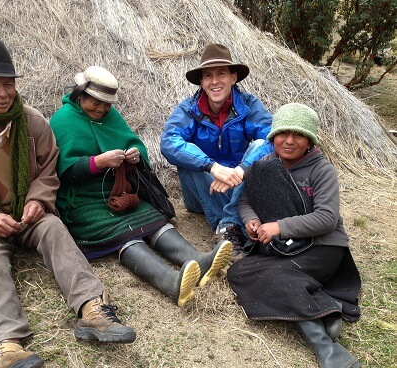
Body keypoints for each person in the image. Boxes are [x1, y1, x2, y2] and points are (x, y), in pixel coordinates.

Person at [0, 39, 136, 368]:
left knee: (55, 229)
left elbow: (47, 170)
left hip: (27, 213)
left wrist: (38, 200)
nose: (3, 93)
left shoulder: (32, 121)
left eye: (8, 84)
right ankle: (3, 344)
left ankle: (94, 309)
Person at [49, 66, 233, 308]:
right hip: (83, 201)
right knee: (127, 236)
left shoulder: (110, 116)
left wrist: (136, 155)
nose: (102, 109)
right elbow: (63, 171)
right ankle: (171, 282)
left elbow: (133, 143)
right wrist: (98, 162)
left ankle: (199, 260)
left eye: (106, 104)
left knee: (154, 221)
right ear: (80, 95)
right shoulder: (63, 120)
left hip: (120, 192)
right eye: (96, 102)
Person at [227, 103, 362, 368]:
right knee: (238, 272)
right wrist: (252, 221)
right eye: (283, 133)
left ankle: (328, 351)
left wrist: (278, 226)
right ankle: (325, 306)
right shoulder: (264, 166)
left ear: (309, 140)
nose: (289, 141)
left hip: (322, 248)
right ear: (273, 136)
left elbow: (326, 219)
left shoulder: (321, 170)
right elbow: (245, 201)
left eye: (298, 135)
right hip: (285, 249)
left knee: (275, 276)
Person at [161, 43, 273, 261]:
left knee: (260, 147)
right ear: (201, 82)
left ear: (234, 78)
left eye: (221, 73)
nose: (214, 82)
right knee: (188, 153)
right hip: (201, 193)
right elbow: (168, 142)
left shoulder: (248, 105)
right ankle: (233, 223)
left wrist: (240, 170)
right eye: (208, 76)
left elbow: (272, 136)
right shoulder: (188, 109)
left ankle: (227, 225)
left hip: (238, 187)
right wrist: (212, 167)